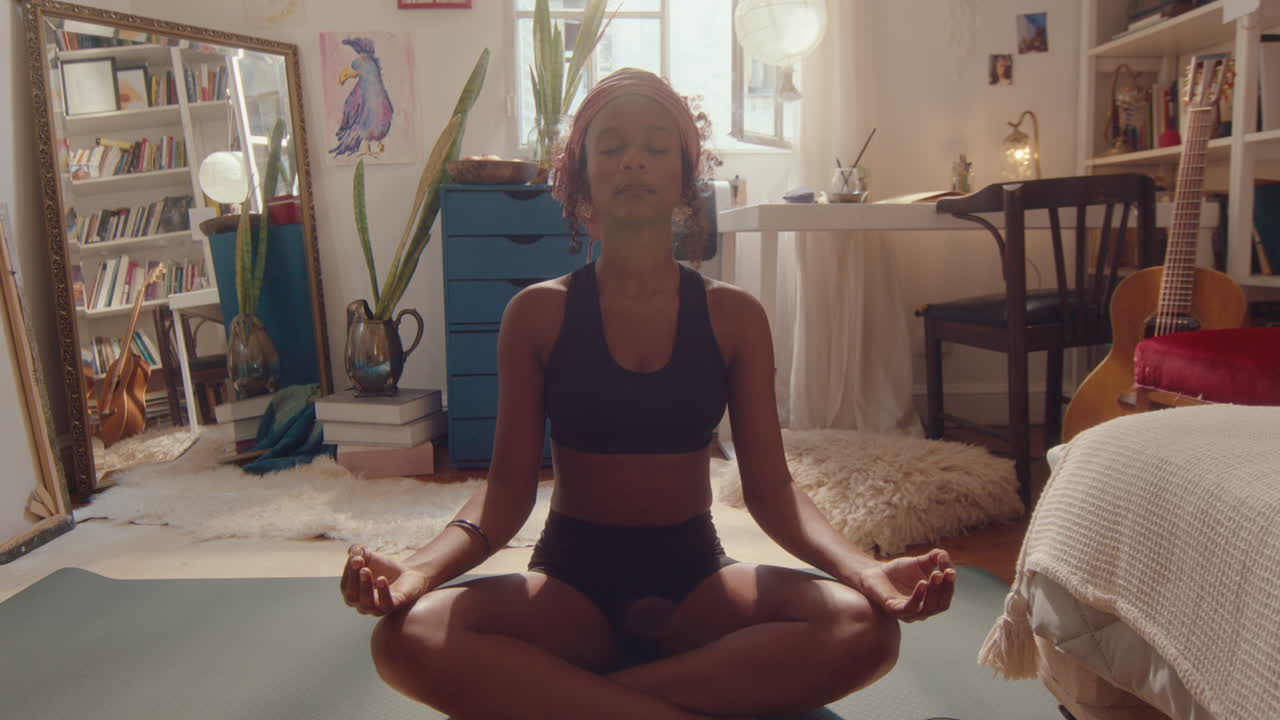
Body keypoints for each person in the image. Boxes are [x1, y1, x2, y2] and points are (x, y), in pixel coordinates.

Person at [340, 67, 957, 719]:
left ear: (686, 182)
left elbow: (772, 492)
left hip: (698, 586)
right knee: (405, 640)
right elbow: (505, 493)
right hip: (569, 589)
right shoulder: (536, 316)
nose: (633, 157)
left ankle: (574, 705)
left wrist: (865, 572)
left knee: (865, 630)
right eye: (610, 146)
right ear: (580, 182)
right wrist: (418, 571)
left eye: (657, 146)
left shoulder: (734, 317)